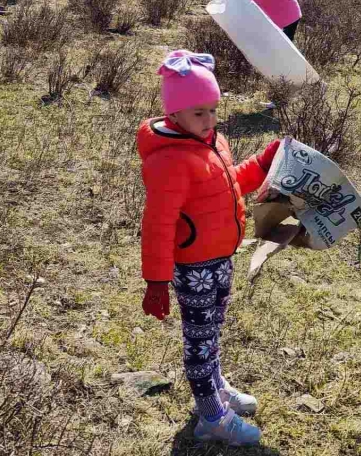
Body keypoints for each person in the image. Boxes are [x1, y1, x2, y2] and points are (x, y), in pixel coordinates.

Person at [137, 50, 281, 446]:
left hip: (220, 259)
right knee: (199, 341)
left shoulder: (212, 142)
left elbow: (229, 183)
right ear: (174, 115)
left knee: (212, 331)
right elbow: (158, 225)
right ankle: (211, 417)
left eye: (214, 110)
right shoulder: (170, 161)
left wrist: (265, 161)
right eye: (199, 113)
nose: (210, 120)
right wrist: (156, 281)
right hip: (194, 266)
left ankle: (217, 387)